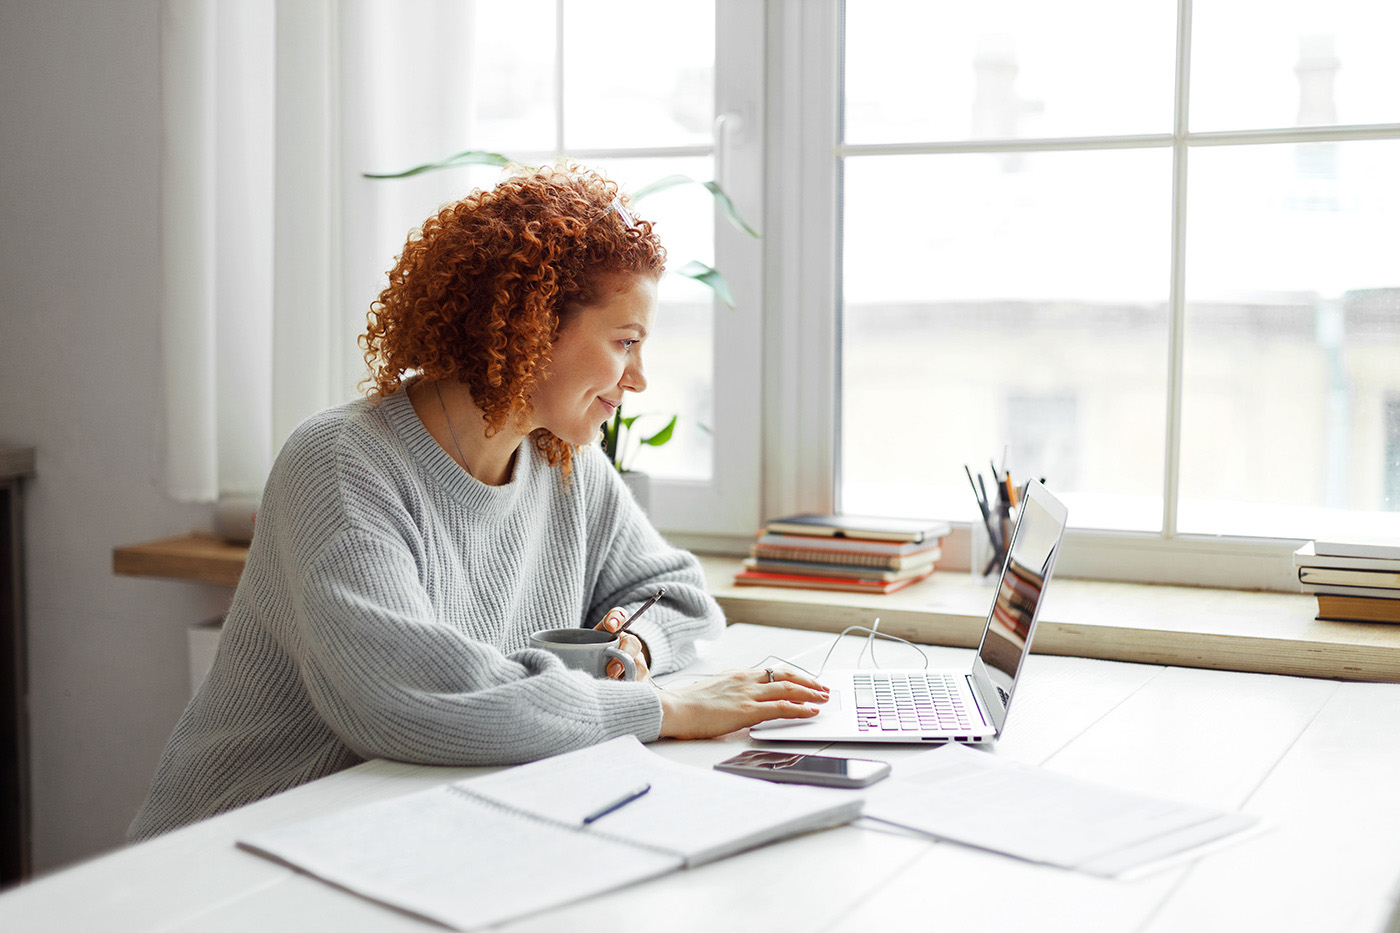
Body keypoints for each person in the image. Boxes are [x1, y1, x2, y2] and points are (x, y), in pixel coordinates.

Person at [129, 163, 827, 841]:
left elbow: (677, 595)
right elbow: (411, 699)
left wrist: (634, 644)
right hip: (234, 850)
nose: (638, 379)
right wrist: (661, 706)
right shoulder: (343, 464)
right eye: (625, 342)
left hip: (402, 831)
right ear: (532, 325)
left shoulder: (565, 464)